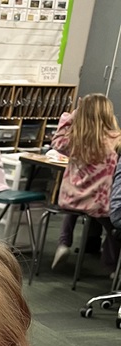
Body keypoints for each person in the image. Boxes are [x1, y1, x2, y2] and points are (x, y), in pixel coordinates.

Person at [50, 93, 121, 269]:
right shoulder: (116, 140)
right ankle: (111, 265)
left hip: (71, 200)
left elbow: (56, 141)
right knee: (113, 228)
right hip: (99, 205)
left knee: (71, 213)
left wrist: (71, 115)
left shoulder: (76, 140)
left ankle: (64, 243)